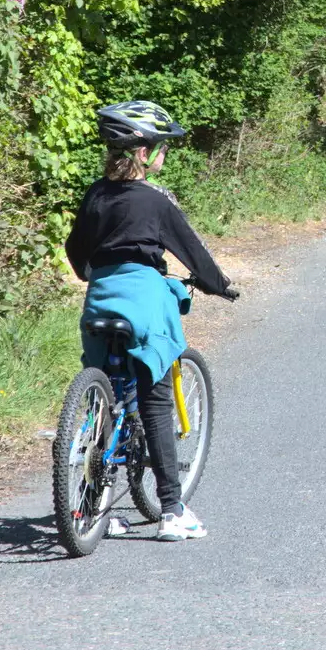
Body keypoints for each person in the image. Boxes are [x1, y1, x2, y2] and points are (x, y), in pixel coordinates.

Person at [65, 100, 238, 542]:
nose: (164, 155)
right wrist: (219, 284)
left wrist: (96, 273)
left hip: (100, 302)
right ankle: (172, 510)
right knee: (157, 396)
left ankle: (95, 504)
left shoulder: (95, 195)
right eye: (161, 147)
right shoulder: (155, 199)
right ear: (143, 153)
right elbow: (192, 252)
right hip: (143, 303)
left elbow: (76, 253)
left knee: (109, 391)